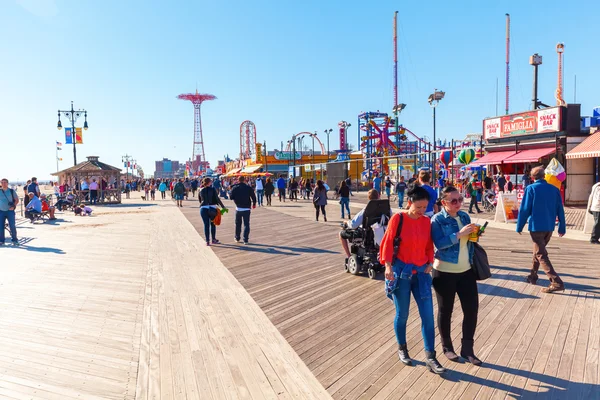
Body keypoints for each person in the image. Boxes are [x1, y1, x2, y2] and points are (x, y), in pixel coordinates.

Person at [380, 185, 445, 374]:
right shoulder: (398, 219)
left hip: (422, 274)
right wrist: (388, 266)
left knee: (428, 316)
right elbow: (388, 242)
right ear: (409, 203)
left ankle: (431, 357)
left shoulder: (426, 221)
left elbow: (428, 245)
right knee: (403, 314)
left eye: (425, 207)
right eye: (418, 207)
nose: (422, 211)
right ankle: (402, 348)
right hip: (401, 273)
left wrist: (429, 262)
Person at [431, 186, 482, 366]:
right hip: (444, 271)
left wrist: (476, 233)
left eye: (460, 199)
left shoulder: (464, 216)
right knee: (446, 311)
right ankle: (447, 347)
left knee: (472, 310)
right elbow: (439, 243)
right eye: (453, 201)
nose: (458, 203)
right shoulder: (437, 220)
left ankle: (467, 349)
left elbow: (470, 242)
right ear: (444, 202)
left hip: (466, 270)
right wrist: (459, 234)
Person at [517, 166, 566, 293]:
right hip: (549, 226)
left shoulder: (531, 188)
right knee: (538, 250)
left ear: (532, 178)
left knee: (540, 254)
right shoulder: (554, 189)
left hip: (536, 226)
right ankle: (532, 276)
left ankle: (556, 282)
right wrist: (562, 226)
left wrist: (519, 225)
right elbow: (560, 208)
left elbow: (524, 209)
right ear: (544, 176)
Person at [339, 189, 379, 261]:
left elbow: (353, 225)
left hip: (366, 235)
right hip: (380, 234)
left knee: (341, 234)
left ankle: (349, 256)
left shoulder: (366, 210)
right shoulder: (386, 209)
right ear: (378, 196)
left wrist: (346, 222)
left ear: (369, 198)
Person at [230, 176, 257, 245]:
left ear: (238, 180)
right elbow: (253, 197)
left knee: (238, 224)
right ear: (245, 180)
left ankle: (237, 238)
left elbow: (231, 197)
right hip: (247, 208)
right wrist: (254, 204)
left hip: (238, 208)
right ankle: (245, 240)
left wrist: (232, 189)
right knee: (246, 224)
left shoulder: (235, 188)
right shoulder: (248, 188)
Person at [199, 177, 225, 246]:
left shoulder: (201, 190)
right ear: (209, 182)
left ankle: (207, 241)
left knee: (206, 225)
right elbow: (217, 198)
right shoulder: (212, 189)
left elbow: (200, 200)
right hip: (212, 208)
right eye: (210, 181)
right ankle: (213, 239)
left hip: (203, 208)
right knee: (213, 224)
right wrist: (223, 207)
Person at [0, 178, 19, 245]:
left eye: (5, 182)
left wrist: (13, 206)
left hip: (10, 211)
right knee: (0, 226)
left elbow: (16, 200)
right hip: (1, 211)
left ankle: (14, 240)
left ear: (7, 183)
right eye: (2, 182)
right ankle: (1, 240)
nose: (3, 184)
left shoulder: (11, 191)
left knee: (12, 226)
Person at [587, 180, 600, 244]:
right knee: (598, 223)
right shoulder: (598, 187)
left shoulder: (595, 186)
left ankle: (595, 238)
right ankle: (594, 239)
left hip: (595, 207)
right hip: (598, 208)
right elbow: (599, 198)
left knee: (597, 223)